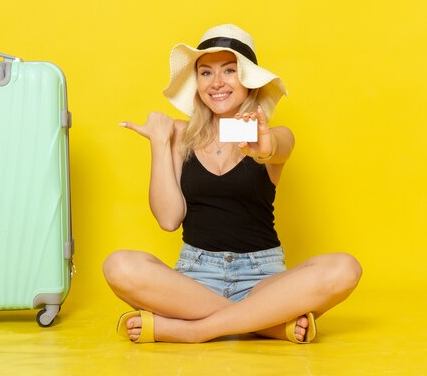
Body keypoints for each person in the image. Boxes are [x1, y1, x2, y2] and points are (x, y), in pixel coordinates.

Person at [102, 24, 362, 343]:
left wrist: (264, 147)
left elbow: (277, 146)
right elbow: (169, 219)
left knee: (345, 268)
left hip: (263, 278)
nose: (217, 83)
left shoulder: (275, 136)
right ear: (197, 82)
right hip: (195, 279)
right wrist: (158, 142)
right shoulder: (179, 135)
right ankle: (266, 323)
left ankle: (195, 330)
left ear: (248, 82)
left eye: (229, 70)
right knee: (119, 265)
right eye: (206, 72)